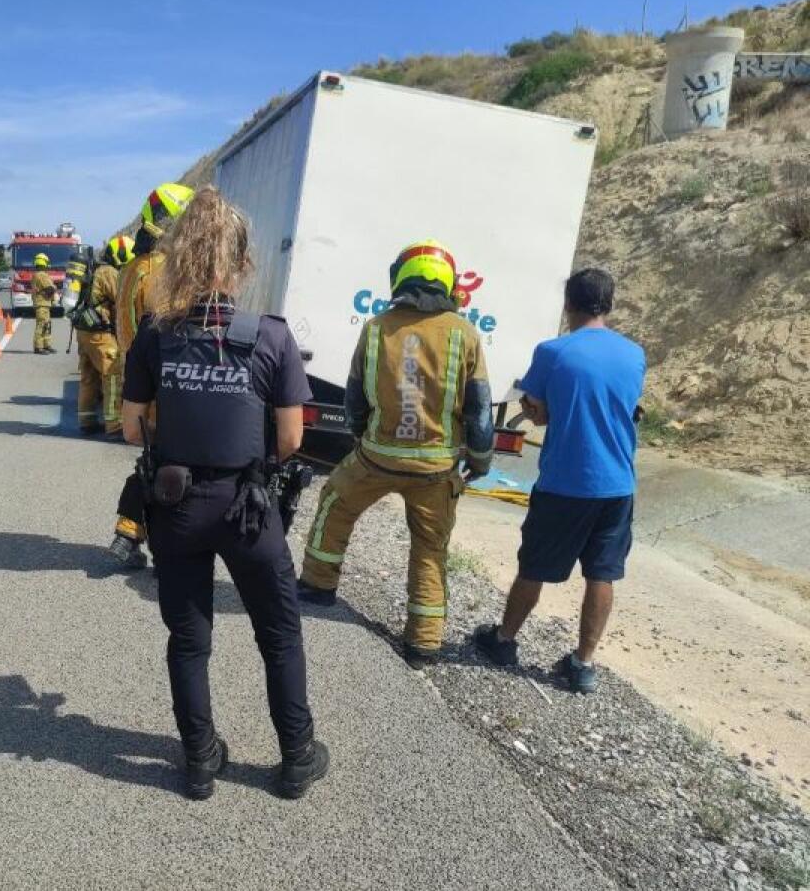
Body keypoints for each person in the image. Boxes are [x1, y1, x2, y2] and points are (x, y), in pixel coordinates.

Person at [120, 186, 329, 801]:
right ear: (241, 263)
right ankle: (295, 757)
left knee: (189, 639)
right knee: (280, 633)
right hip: (247, 509)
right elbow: (290, 438)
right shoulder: (271, 336)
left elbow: (132, 426)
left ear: (179, 258)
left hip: (175, 502)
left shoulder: (157, 336)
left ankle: (199, 760)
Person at [298, 240, 494, 669]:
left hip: (376, 459)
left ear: (400, 278)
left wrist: (359, 437)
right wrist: (479, 461)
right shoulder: (464, 334)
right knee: (430, 549)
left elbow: (355, 399)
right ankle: (423, 643)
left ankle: (317, 586)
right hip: (437, 471)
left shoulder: (376, 328)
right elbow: (479, 411)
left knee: (334, 503)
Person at [472, 268, 645, 694]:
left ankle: (504, 640)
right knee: (601, 574)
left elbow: (541, 413)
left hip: (566, 483)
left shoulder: (552, 351)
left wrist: (533, 410)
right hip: (619, 484)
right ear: (610, 304)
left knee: (534, 566)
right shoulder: (634, 354)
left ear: (568, 304)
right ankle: (583, 665)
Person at [108, 183, 195, 568]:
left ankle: (129, 532)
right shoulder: (165, 274)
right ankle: (163, 548)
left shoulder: (130, 269)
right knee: (173, 465)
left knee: (153, 459)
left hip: (138, 382)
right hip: (165, 384)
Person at [72, 236, 133, 435]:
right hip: (99, 333)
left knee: (88, 376)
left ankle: (87, 420)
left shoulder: (95, 269)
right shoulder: (109, 272)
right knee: (113, 373)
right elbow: (121, 298)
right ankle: (114, 424)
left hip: (84, 331)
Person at [31, 253, 57, 355]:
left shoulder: (37, 274)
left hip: (43, 303)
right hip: (42, 303)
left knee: (46, 325)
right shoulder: (42, 275)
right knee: (42, 325)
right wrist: (54, 288)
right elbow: (50, 288)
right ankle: (38, 347)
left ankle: (46, 345)